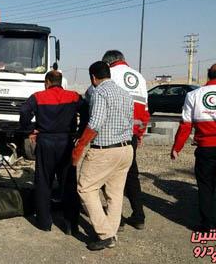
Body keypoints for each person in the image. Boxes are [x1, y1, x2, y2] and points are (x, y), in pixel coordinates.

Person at [171, 62, 216, 234]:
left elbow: (185, 125)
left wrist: (176, 147)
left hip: (206, 149)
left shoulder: (193, 95)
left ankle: (207, 225)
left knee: (206, 187)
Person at [72, 61, 134, 251]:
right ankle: (111, 233)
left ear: (93, 77)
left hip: (105, 150)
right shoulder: (125, 94)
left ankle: (106, 234)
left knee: (86, 188)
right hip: (126, 149)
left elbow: (95, 124)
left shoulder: (99, 92)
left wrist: (79, 147)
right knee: (114, 194)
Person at [19, 70, 83, 233]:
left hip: (45, 141)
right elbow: (87, 110)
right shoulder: (74, 96)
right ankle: (70, 224)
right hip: (66, 141)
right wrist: (79, 132)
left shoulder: (38, 97)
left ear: (47, 82)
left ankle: (44, 222)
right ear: (60, 81)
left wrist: (30, 129)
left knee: (43, 181)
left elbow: (24, 111)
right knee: (68, 182)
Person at [101, 50, 149, 230]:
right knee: (131, 175)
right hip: (133, 135)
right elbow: (145, 111)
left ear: (107, 63)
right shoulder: (140, 78)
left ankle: (117, 219)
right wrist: (140, 133)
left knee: (110, 177)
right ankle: (139, 216)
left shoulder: (109, 75)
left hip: (113, 134)